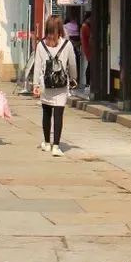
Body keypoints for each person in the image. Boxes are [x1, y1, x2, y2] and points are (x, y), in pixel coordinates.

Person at [33, 15, 78, 157]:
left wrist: (35, 84)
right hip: (61, 85)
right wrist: (74, 78)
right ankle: (56, 146)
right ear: (60, 29)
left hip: (45, 84)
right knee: (58, 115)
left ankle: (47, 143)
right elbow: (72, 64)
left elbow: (37, 66)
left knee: (46, 113)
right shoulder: (67, 45)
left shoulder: (41, 45)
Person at [80, 13, 92, 89]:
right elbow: (90, 36)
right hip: (88, 48)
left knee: (90, 65)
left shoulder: (84, 26)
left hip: (87, 47)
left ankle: (88, 83)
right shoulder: (85, 26)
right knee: (90, 65)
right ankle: (88, 83)